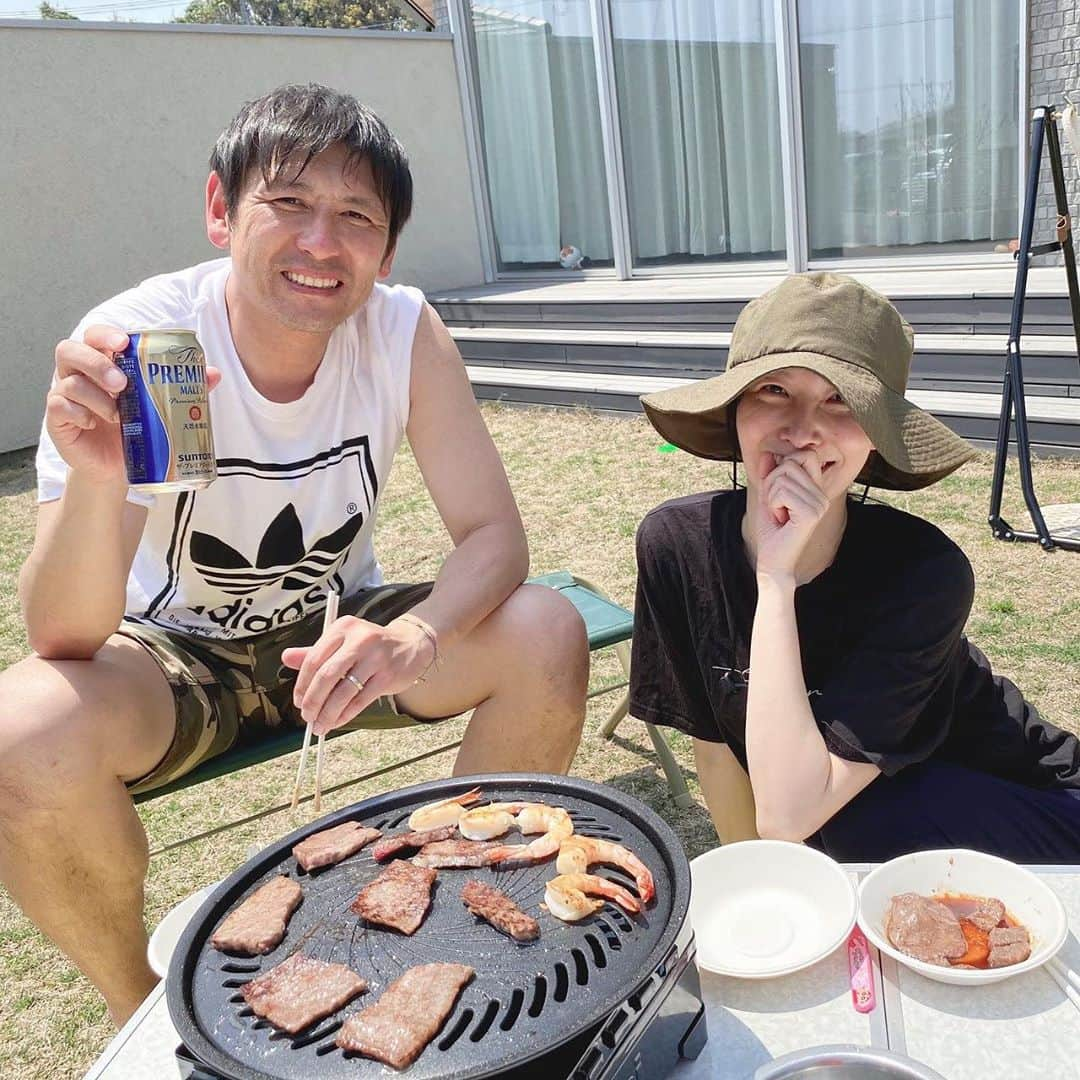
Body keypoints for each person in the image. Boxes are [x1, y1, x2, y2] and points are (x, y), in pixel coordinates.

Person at [0, 83, 589, 1025]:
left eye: (356, 216)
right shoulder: (152, 345)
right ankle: (140, 1010)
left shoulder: (400, 331)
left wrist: (420, 638)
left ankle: (453, 912)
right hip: (175, 657)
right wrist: (100, 474)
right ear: (220, 210)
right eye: (289, 203)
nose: (322, 244)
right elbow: (64, 635)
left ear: (386, 250)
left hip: (339, 636)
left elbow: (495, 539)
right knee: (15, 731)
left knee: (545, 628)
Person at [631, 272, 1080, 864]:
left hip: (1027, 800)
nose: (802, 431)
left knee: (842, 823)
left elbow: (789, 815)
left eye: (841, 399)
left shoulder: (924, 573)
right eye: (772, 390)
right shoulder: (675, 546)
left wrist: (775, 577)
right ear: (733, 411)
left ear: (876, 436)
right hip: (869, 818)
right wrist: (759, 887)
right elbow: (715, 748)